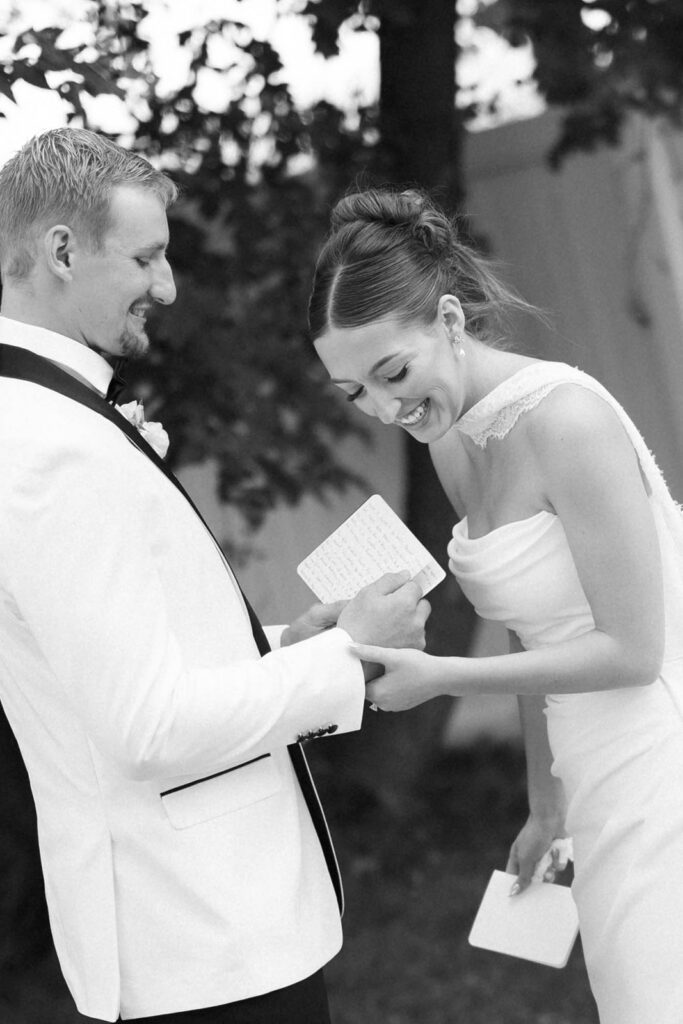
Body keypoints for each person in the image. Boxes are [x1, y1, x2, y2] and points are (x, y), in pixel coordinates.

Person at [0, 130, 430, 1024]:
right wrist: (346, 659)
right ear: (62, 250)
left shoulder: (47, 418)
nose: (167, 286)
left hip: (213, 936)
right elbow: (145, 728)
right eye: (148, 257)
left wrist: (285, 644)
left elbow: (124, 670)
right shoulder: (46, 448)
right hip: (199, 940)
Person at [309, 185, 683, 1024]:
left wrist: (441, 676)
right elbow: (531, 635)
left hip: (660, 752)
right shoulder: (452, 445)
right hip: (587, 772)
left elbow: (633, 650)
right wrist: (544, 802)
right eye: (352, 393)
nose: (381, 408)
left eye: (391, 372)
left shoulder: (567, 420)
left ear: (448, 319)